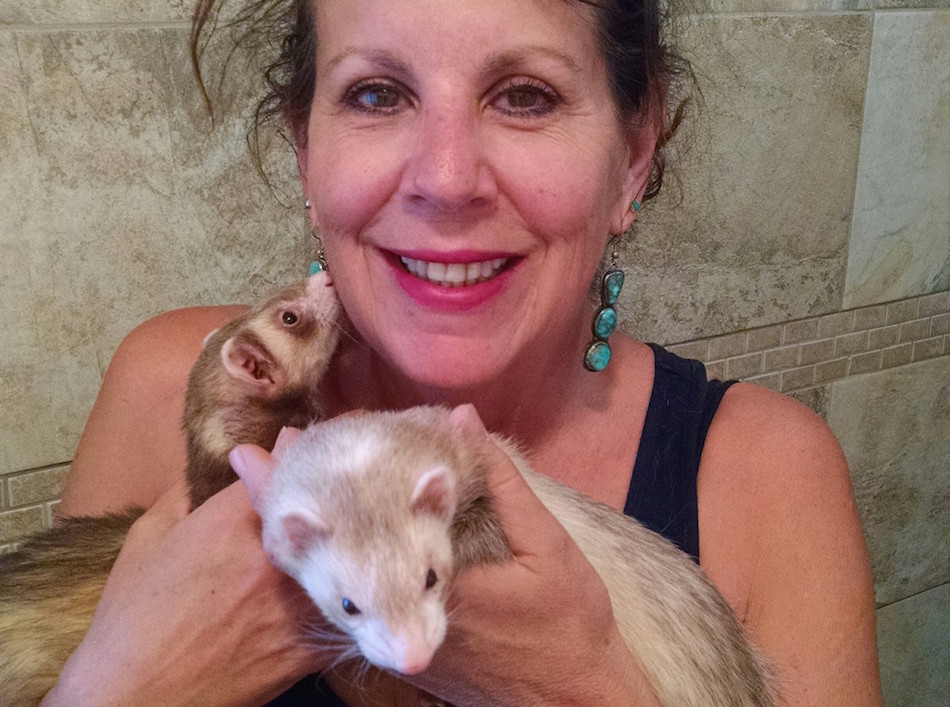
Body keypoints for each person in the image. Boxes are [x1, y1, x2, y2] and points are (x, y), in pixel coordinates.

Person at [44, 0, 882, 704]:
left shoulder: (770, 475)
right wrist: (122, 684)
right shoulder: (171, 389)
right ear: (305, 146)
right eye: (375, 93)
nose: (446, 180)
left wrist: (586, 683)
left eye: (525, 95)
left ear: (633, 154)